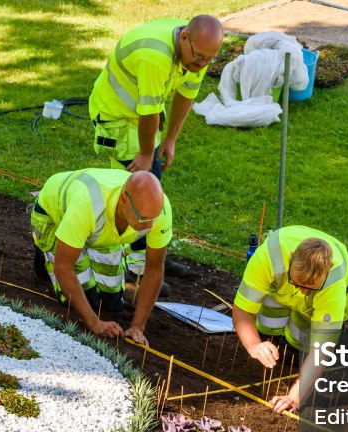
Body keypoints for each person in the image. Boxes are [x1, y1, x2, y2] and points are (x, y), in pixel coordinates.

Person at [89, 15, 224, 279]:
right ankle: (136, 263)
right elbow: (148, 113)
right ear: (184, 37)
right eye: (199, 57)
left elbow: (186, 94)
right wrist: (145, 153)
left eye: (210, 59)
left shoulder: (200, 50)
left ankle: (150, 255)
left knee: (152, 181)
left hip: (141, 114)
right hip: (115, 115)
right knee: (137, 186)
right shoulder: (155, 56)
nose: (202, 64)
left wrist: (170, 140)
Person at [30, 168, 172, 347]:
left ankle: (84, 247)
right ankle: (42, 256)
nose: (150, 225)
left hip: (100, 231)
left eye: (154, 217)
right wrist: (94, 323)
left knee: (112, 303)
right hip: (54, 216)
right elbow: (63, 267)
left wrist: (137, 326)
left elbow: (154, 269)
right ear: (123, 200)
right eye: (143, 218)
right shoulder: (88, 202)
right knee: (88, 301)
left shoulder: (158, 210)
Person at [231, 226, 348, 414]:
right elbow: (242, 310)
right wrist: (254, 345)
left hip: (316, 304)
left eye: (310, 287)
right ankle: (271, 339)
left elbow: (321, 349)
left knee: (299, 342)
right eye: (298, 283)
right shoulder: (267, 258)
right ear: (291, 258)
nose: (303, 292)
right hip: (278, 291)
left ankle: (291, 349)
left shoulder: (333, 282)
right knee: (267, 326)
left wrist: (294, 397)